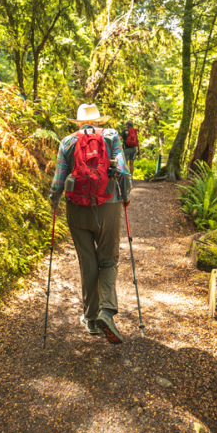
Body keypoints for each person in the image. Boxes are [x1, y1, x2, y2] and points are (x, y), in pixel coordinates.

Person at [49, 103, 132, 344]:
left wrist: (55, 200)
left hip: (77, 210)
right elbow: (123, 172)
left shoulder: (67, 142)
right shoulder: (112, 136)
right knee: (108, 260)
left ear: (78, 123)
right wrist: (125, 196)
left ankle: (91, 319)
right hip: (109, 204)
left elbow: (58, 180)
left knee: (88, 263)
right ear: (99, 121)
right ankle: (107, 311)